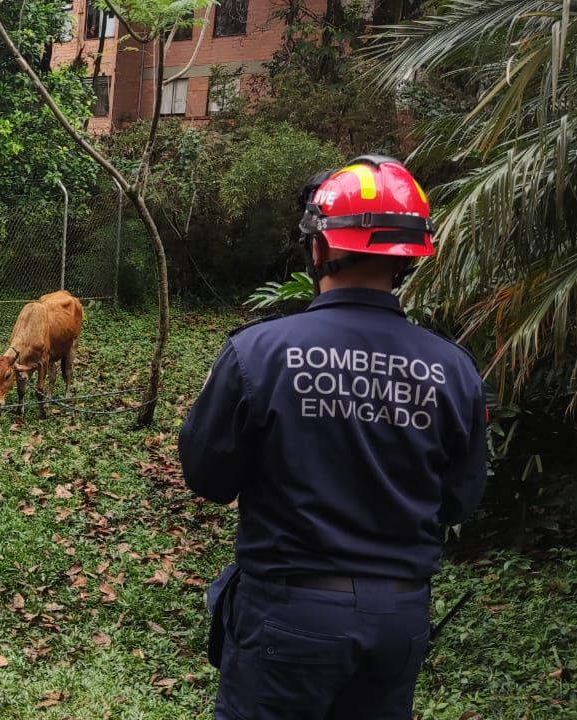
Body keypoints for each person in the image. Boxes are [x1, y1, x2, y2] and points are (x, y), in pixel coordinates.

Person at [177, 155, 489, 720]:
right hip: (397, 621)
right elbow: (458, 501)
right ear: (409, 258)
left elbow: (207, 477)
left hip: (288, 616)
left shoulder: (258, 353)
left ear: (317, 248)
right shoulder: (455, 370)